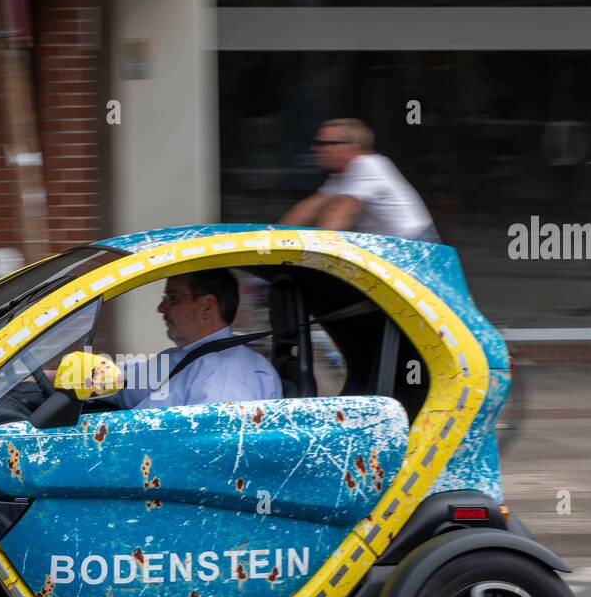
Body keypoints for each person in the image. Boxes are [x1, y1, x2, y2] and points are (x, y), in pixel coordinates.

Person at [112, 269, 281, 410]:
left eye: (172, 298)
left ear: (207, 306)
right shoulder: (182, 357)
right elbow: (126, 381)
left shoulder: (222, 381)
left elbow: (209, 448)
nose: (161, 308)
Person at [281, 118, 438, 242]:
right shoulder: (342, 175)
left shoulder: (367, 165)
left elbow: (340, 215)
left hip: (414, 247)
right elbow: (308, 208)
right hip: (393, 248)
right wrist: (272, 237)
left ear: (352, 146)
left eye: (327, 144)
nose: (316, 149)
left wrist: (312, 250)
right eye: (318, 143)